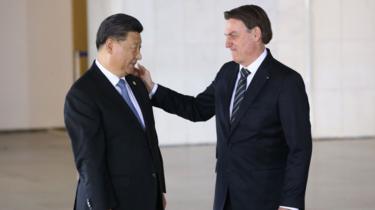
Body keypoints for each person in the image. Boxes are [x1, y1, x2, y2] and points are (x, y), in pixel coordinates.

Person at [136, 4, 312, 210]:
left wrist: (290, 204)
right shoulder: (227, 73)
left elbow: (299, 147)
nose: (227, 43)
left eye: (233, 36)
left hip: (266, 198)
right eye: (226, 36)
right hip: (225, 195)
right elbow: (197, 109)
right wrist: (152, 89)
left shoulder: (286, 81)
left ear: (256, 34)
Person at [64, 13, 166, 210]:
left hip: (145, 198)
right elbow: (90, 162)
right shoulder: (82, 95)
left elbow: (149, 141)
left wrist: (157, 191)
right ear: (110, 45)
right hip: (112, 203)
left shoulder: (136, 83)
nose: (139, 55)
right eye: (134, 47)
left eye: (140, 48)